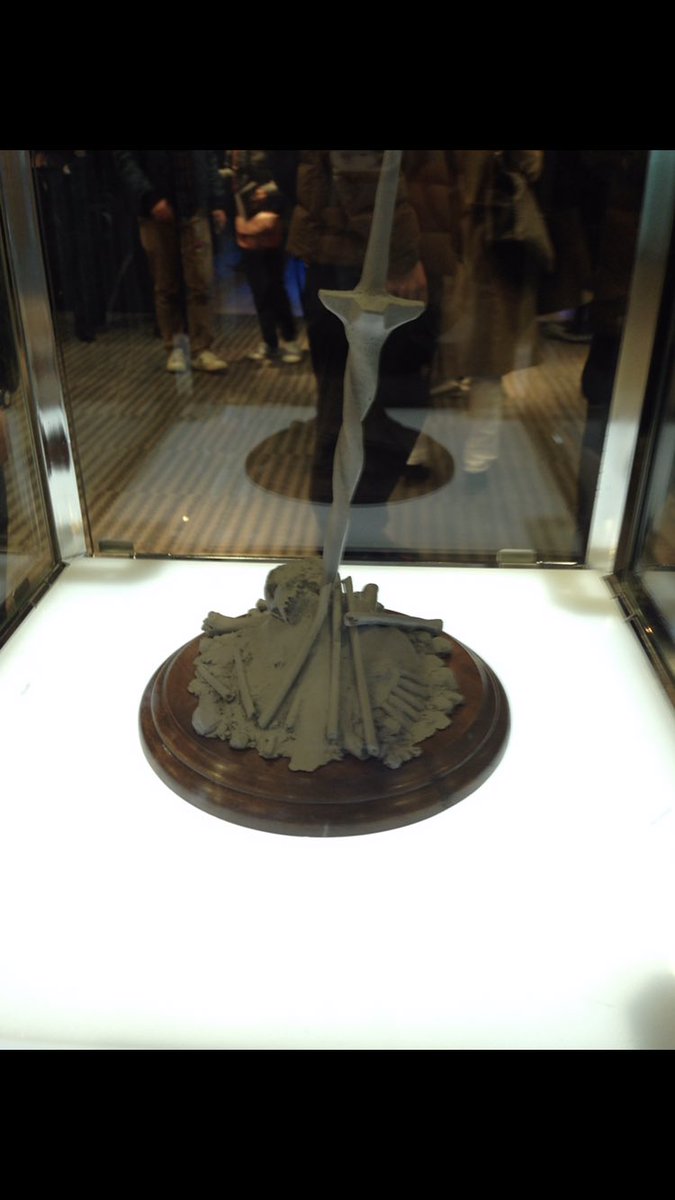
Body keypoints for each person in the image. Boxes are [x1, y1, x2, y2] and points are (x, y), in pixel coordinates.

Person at [287, 149, 429, 502]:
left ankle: (350, 524)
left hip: (346, 251)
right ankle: (348, 526)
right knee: (366, 412)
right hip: (362, 261)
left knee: (354, 409)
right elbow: (360, 166)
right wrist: (400, 257)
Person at [433, 150, 549, 477]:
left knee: (422, 353)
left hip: (430, 230)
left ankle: (413, 453)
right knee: (486, 361)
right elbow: (530, 165)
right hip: (485, 240)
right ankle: (478, 460)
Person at [113, 150, 228, 373]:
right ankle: (176, 347)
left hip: (194, 206)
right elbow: (126, 161)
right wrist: (150, 197)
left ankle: (201, 348)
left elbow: (208, 158)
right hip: (155, 212)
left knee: (201, 280)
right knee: (166, 283)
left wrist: (217, 201)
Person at [221, 150, 302, 365]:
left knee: (274, 282)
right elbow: (234, 174)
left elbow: (291, 175)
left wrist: (270, 193)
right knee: (258, 285)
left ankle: (289, 338)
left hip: (273, 216)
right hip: (246, 216)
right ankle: (270, 341)